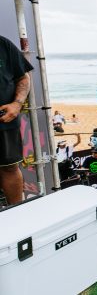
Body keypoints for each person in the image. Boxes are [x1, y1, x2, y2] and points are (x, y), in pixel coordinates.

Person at [0, 35, 33, 205]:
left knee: (10, 167)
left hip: (4, 122)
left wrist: (17, 104)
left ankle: (17, 212)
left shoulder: (3, 44)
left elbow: (23, 77)